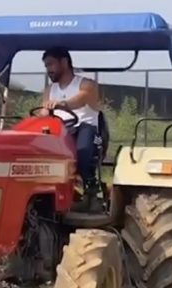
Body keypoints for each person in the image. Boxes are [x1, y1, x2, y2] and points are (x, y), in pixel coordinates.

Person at [40, 46, 103, 213]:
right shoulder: (49, 91)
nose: (48, 70)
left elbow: (80, 100)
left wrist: (63, 104)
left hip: (85, 129)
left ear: (64, 62)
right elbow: (44, 112)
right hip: (60, 131)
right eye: (46, 66)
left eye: (51, 65)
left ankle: (92, 193)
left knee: (82, 150)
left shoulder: (87, 85)